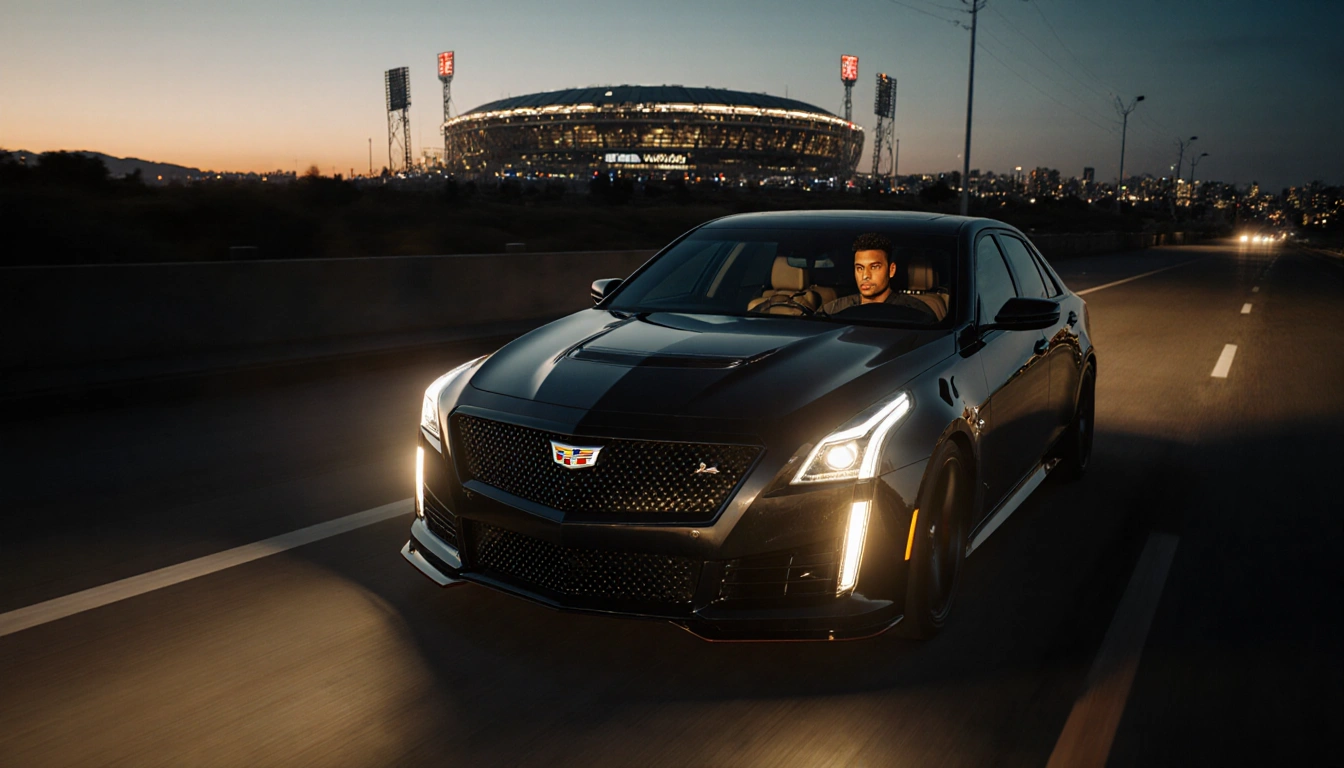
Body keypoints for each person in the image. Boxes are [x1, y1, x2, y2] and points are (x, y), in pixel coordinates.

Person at [821, 232, 935, 318]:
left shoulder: (915, 313)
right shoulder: (835, 310)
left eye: (874, 267)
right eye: (860, 268)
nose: (865, 275)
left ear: (891, 270)